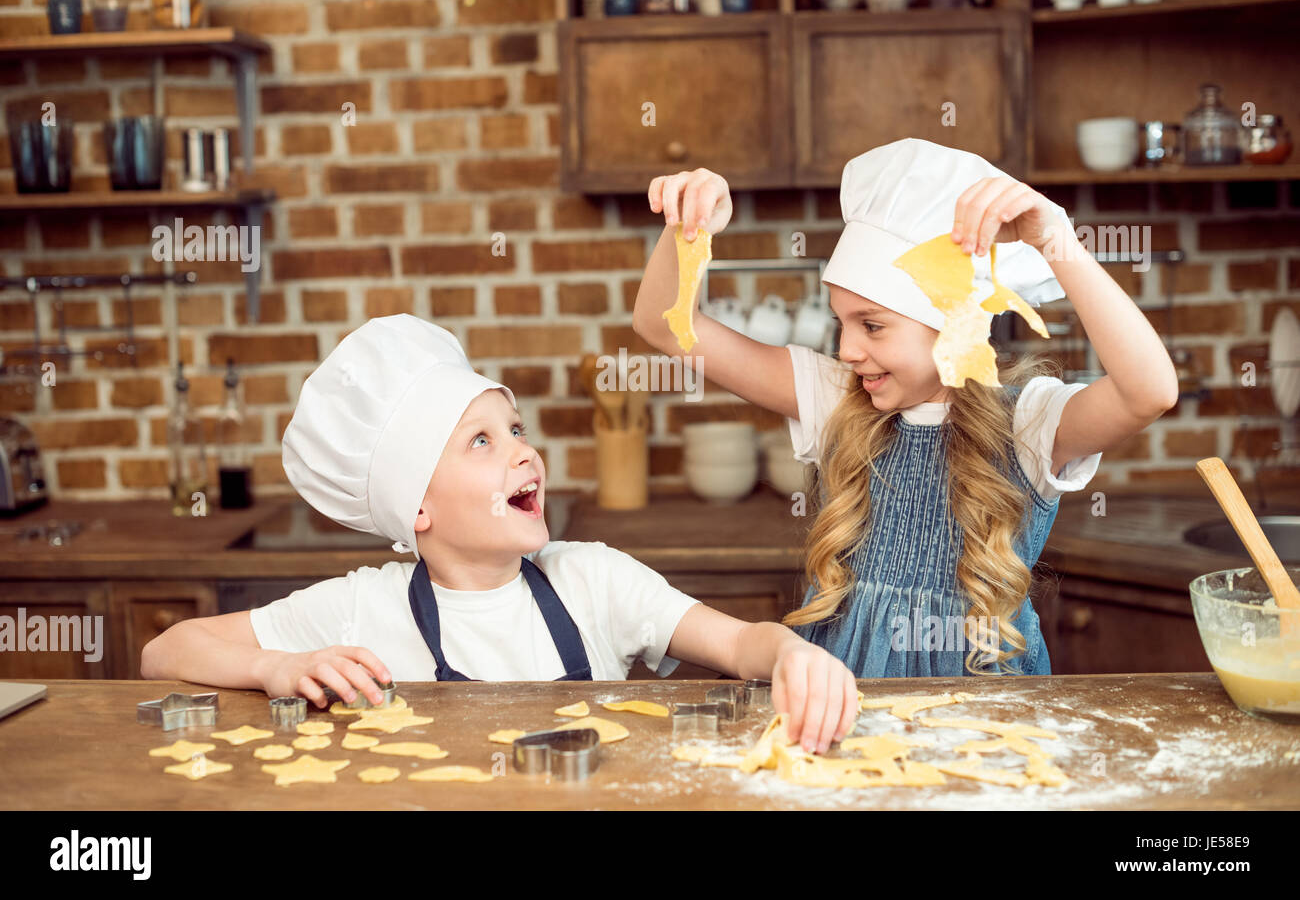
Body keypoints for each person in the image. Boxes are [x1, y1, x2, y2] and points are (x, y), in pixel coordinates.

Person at [141, 314, 859, 753]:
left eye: (515, 428)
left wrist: (791, 650)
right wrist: (275, 669)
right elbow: (163, 651)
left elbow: (738, 644)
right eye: (480, 441)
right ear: (416, 508)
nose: (523, 450)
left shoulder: (591, 579)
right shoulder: (363, 608)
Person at [632, 138, 1179, 677]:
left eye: (872, 325)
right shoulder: (834, 397)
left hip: (986, 721)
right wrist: (688, 226)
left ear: (952, 323)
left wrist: (1055, 239)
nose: (846, 350)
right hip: (842, 695)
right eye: (841, 323)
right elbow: (662, 324)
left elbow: (1148, 391)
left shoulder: (1029, 425)